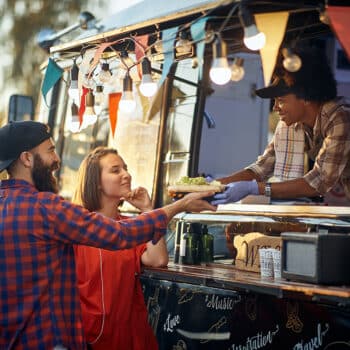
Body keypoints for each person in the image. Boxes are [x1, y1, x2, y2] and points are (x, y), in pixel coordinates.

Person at [0, 120, 216, 350]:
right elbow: (120, 234)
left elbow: (152, 255)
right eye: (50, 150)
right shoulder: (45, 208)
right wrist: (179, 205)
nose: (57, 159)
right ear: (27, 159)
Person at [211, 47, 350, 206]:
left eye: (281, 100)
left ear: (306, 97)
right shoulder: (291, 124)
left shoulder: (340, 117)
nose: (275, 108)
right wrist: (215, 185)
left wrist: (255, 188)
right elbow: (262, 168)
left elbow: (319, 182)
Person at [73, 147, 167, 349]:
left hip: (128, 336)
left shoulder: (130, 226)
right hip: (87, 337)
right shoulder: (76, 226)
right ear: (96, 182)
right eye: (116, 170)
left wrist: (148, 211)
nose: (127, 175)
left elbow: (158, 259)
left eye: (125, 168)